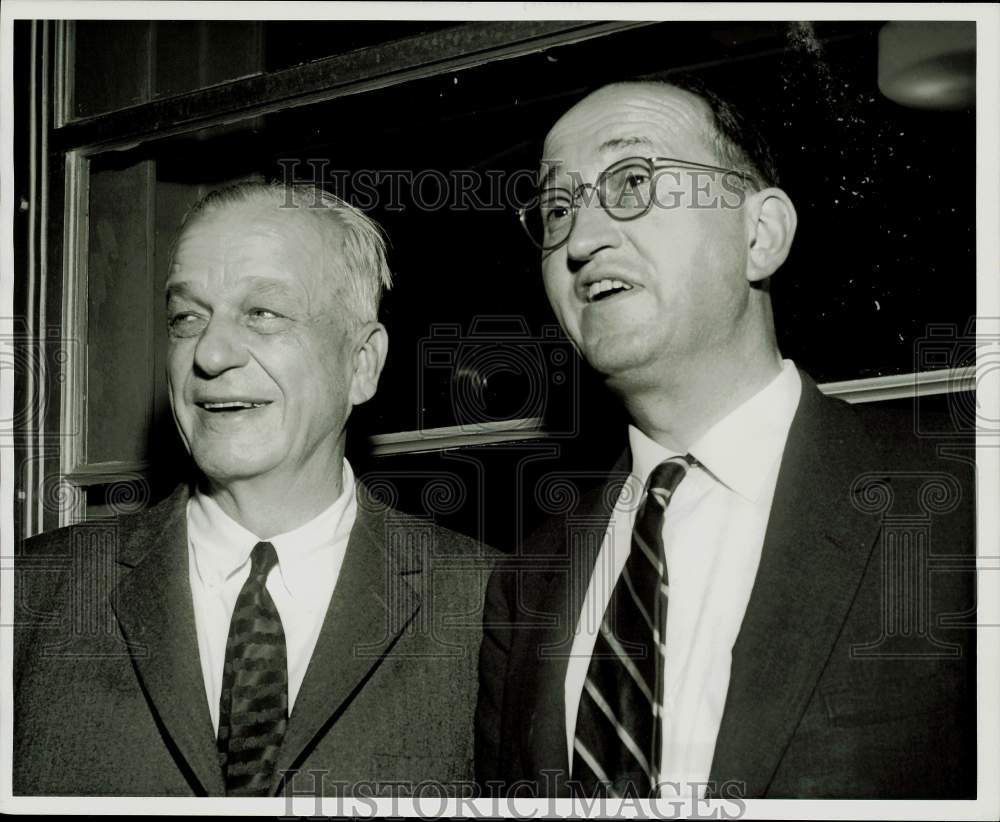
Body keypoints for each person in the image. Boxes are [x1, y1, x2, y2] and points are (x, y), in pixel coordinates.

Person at [475, 81, 975, 800]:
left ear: (760, 235)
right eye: (558, 208)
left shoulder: (959, 508)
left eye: (634, 182)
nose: (581, 241)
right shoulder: (527, 581)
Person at [14, 182, 496, 797]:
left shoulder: (492, 607)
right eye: (188, 317)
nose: (209, 354)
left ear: (362, 364)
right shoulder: (27, 593)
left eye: (263, 313)